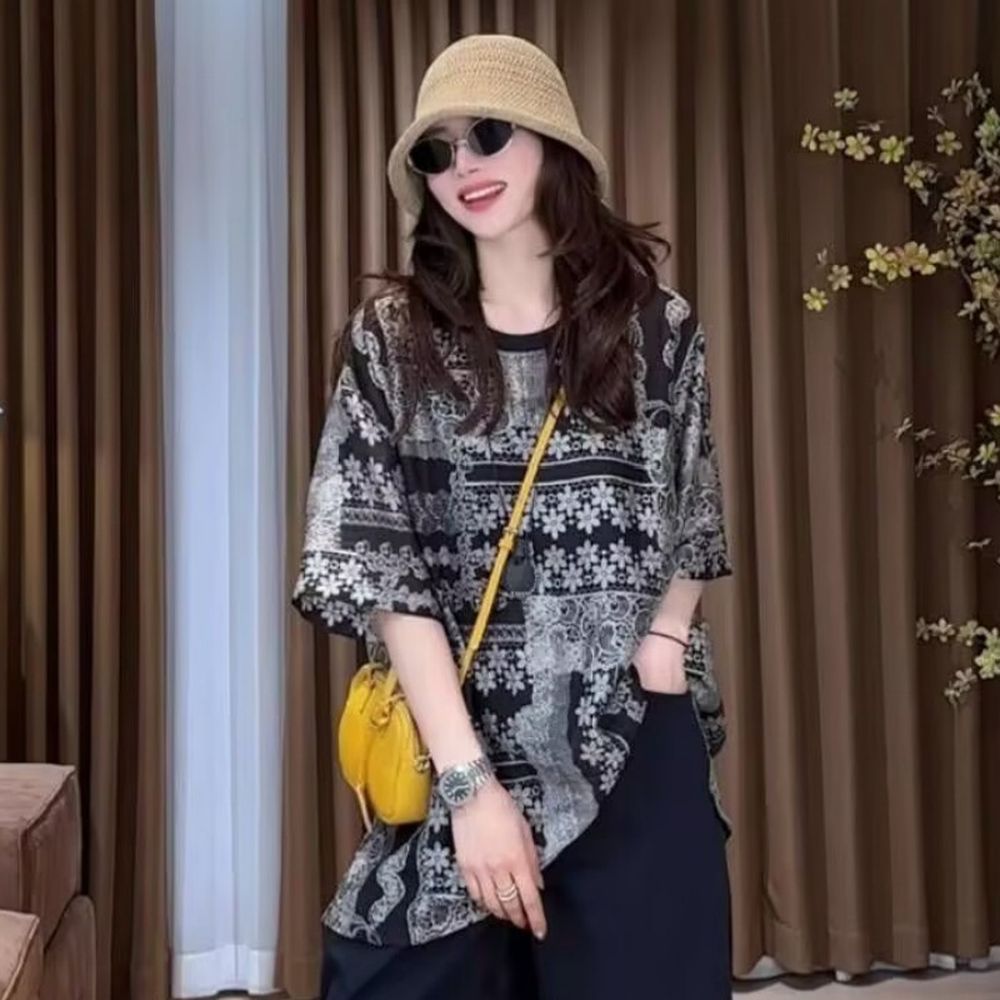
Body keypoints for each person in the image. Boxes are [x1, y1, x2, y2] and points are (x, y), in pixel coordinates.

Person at [292, 32, 734, 1000]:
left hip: (628, 731)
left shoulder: (656, 329)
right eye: (436, 150)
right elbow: (379, 569)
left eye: (488, 133)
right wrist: (468, 787)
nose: (464, 165)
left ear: (550, 141)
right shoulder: (390, 341)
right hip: (459, 731)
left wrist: (666, 634)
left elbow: (694, 505)